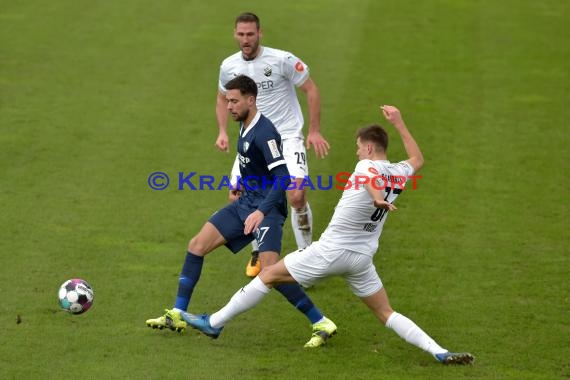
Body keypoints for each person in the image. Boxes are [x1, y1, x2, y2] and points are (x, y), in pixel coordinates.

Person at [182, 105, 475, 364]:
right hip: (362, 259)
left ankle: (215, 322)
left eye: (359, 147)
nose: (357, 152)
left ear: (369, 149)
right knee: (386, 312)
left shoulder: (366, 165)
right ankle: (438, 351)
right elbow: (418, 158)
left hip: (330, 252)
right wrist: (399, 123)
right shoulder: (399, 171)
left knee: (268, 275)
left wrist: (375, 197)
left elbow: (370, 179)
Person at [146, 75, 337, 347]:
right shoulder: (245, 125)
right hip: (245, 203)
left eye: (234, 101)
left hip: (267, 210)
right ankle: (177, 314)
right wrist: (240, 183)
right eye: (227, 101)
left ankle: (321, 322)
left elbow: (282, 177)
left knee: (271, 270)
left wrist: (261, 212)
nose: (229, 107)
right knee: (197, 245)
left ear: (251, 99)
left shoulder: (265, 132)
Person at [215, 12, 330, 277]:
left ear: (260, 33)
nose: (246, 39)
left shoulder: (282, 60)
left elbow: (311, 89)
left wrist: (314, 131)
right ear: (235, 34)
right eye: (241, 34)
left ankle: (306, 257)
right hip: (254, 140)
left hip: (288, 137)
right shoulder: (228, 66)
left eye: (250, 34)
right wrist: (222, 131)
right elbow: (222, 98)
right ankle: (257, 250)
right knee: (238, 193)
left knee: (297, 194)